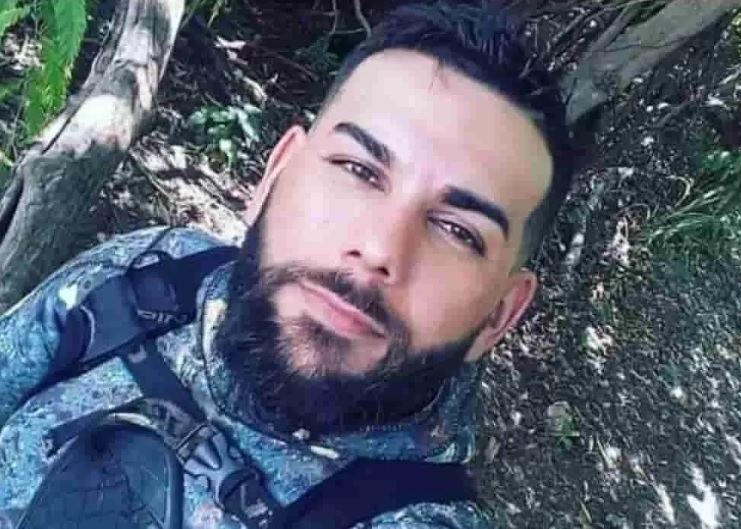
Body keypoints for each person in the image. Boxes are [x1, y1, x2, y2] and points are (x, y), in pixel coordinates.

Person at [0, 2, 573, 528]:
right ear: (274, 175)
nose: (380, 249)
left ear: (499, 316)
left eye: (457, 230)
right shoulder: (141, 278)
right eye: (359, 170)